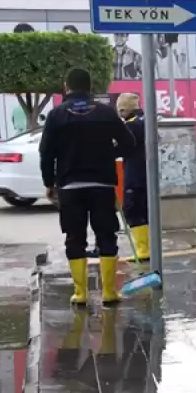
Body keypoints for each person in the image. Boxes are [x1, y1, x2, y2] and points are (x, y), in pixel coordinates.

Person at [40, 68, 136, 306]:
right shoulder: (105, 113)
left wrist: (49, 182)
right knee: (106, 235)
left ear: (66, 86)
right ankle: (109, 293)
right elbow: (129, 143)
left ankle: (81, 293)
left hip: (69, 186)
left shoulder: (56, 115)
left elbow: (46, 153)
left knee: (74, 237)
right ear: (90, 86)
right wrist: (107, 155)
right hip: (102, 185)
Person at [116, 93, 150, 262]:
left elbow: (122, 148)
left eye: (120, 110)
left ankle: (143, 249)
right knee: (144, 210)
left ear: (124, 109)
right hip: (147, 173)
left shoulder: (131, 126)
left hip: (135, 173)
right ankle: (148, 247)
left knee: (132, 209)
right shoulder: (145, 121)